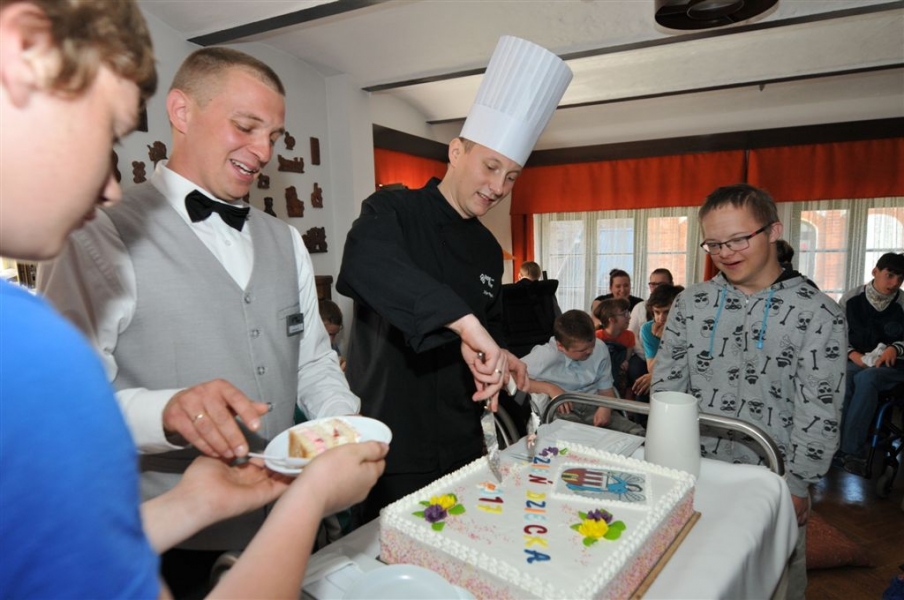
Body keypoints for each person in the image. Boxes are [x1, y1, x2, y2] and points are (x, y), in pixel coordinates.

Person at [0, 1, 386, 598]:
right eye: (245, 126)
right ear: (181, 112)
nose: (263, 152)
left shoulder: (284, 240)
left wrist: (341, 430)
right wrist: (168, 412)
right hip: (168, 541)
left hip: (271, 515)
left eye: (274, 137)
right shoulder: (96, 237)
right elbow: (78, 408)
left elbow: (310, 359)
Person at [337, 35, 571, 523]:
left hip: (465, 436)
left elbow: (490, 326)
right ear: (457, 151)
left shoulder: (487, 248)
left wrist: (502, 355)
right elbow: (364, 264)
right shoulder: (392, 210)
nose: (498, 187)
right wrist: (463, 323)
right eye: (491, 166)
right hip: (393, 438)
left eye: (512, 176)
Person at [652, 183, 845, 599]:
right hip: (695, 469)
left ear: (773, 231)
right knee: (693, 575)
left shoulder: (819, 313)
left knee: (775, 582)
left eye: (739, 239)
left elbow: (820, 408)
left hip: (773, 479)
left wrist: (798, 484)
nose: (725, 253)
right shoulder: (691, 303)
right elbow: (667, 384)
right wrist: (667, 458)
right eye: (714, 244)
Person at [836, 252, 904, 476]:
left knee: (867, 378)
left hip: (895, 366)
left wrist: (896, 348)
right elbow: (836, 335)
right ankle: (834, 444)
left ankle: (851, 452)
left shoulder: (902, 302)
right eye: (890, 275)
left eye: (900, 278)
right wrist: (852, 354)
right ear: (875, 272)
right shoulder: (851, 299)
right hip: (858, 359)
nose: (894, 283)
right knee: (845, 376)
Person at [520, 310, 644, 435]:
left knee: (638, 433)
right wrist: (550, 388)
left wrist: (605, 408)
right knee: (581, 438)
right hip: (564, 410)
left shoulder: (600, 348)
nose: (590, 351)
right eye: (582, 350)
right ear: (561, 346)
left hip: (594, 404)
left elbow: (606, 389)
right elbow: (511, 376)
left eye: (592, 345)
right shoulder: (546, 355)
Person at [626, 268, 674, 400]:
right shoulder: (648, 328)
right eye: (657, 313)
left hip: (678, 369)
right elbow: (652, 368)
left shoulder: (686, 323)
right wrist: (665, 341)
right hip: (646, 356)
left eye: (666, 312)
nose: (661, 318)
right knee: (641, 384)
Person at [593, 298, 634, 396]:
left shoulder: (629, 336)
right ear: (611, 319)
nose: (629, 317)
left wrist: (626, 361)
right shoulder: (597, 336)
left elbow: (627, 355)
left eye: (628, 313)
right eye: (624, 314)